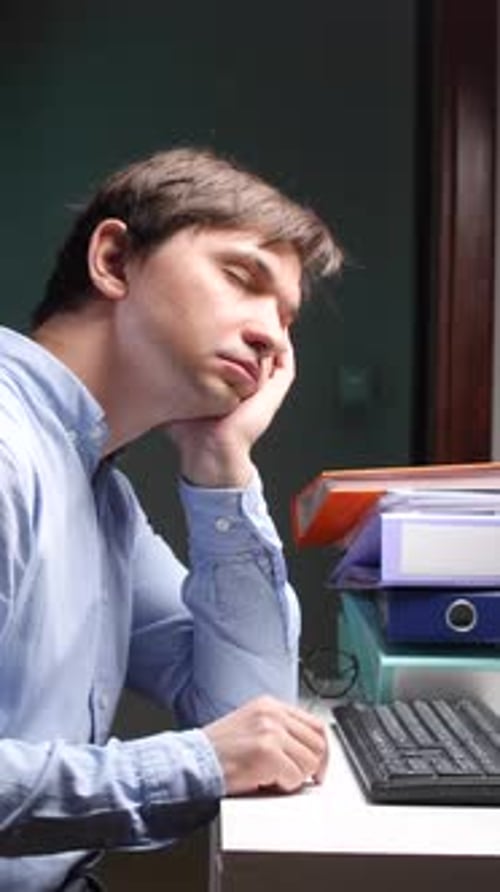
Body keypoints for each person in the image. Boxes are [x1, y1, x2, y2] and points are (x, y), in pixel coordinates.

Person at [0, 147, 342, 891]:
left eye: (285, 320)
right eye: (242, 279)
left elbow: (250, 710)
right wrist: (199, 763)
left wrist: (222, 461)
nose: (273, 337)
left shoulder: (102, 498)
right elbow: (229, 746)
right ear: (115, 259)